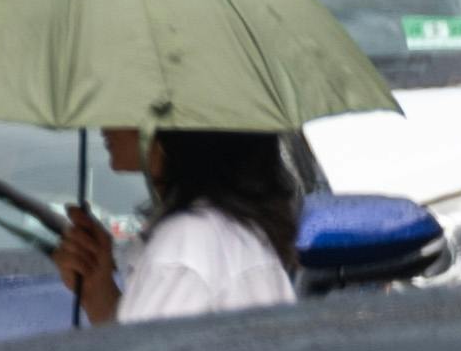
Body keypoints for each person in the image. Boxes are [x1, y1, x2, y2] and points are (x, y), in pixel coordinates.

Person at [54, 127, 303, 323]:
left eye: (124, 102)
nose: (104, 122)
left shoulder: (187, 244)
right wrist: (99, 292)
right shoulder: (222, 228)